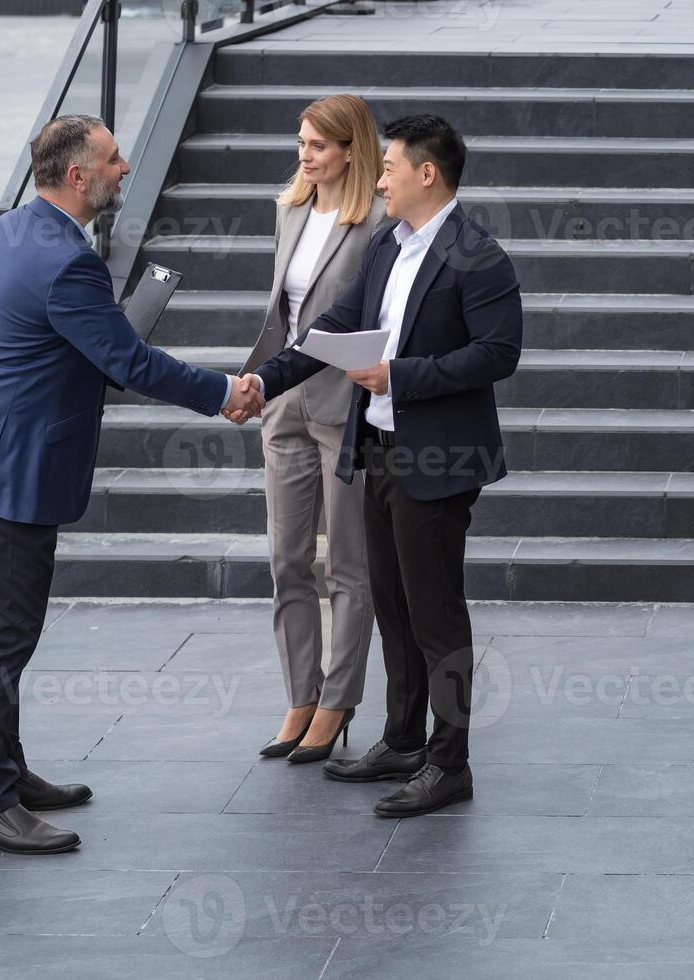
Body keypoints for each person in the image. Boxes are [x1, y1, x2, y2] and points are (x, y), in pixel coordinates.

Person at [0, 113, 264, 855]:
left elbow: (39, 343)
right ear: (77, 175)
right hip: (9, 479)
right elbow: (131, 365)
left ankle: (6, 773)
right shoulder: (67, 262)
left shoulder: (8, 233)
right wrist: (223, 392)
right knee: (2, 643)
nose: (123, 170)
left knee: (3, 636)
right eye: (112, 161)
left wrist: (102, 344)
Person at [229, 114, 522, 817]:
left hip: (440, 459)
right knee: (391, 605)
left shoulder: (479, 256)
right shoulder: (388, 246)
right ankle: (402, 739)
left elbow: (498, 353)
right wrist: (266, 382)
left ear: (428, 174)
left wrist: (401, 375)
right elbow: (331, 330)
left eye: (390, 167)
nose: (380, 177)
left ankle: (450, 763)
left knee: (436, 616)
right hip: (379, 451)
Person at [245, 95, 393, 765]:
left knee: (349, 565)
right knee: (287, 560)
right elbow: (283, 312)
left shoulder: (379, 222)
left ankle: (338, 701)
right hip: (284, 403)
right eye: (301, 141)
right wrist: (262, 385)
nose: (304, 153)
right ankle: (300, 695)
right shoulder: (291, 209)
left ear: (350, 151)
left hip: (345, 404)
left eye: (317, 145)